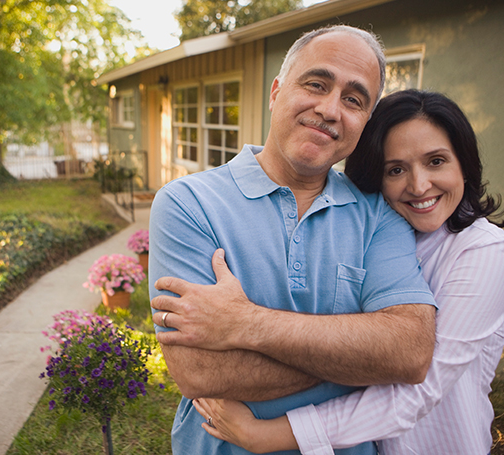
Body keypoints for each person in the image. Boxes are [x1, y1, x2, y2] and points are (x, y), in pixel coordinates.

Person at [148, 25, 438, 455]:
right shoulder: (188, 203)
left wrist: (244, 323)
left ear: (364, 123)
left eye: (353, 99)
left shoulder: (379, 215)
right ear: (276, 92)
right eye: (316, 84)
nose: (330, 109)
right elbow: (200, 371)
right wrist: (361, 358)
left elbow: (409, 353)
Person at [189, 90, 504, 454]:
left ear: (464, 163)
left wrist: (267, 434)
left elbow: (419, 385)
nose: (419, 185)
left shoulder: (484, 250)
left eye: (436, 161)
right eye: (396, 169)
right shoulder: (377, 228)